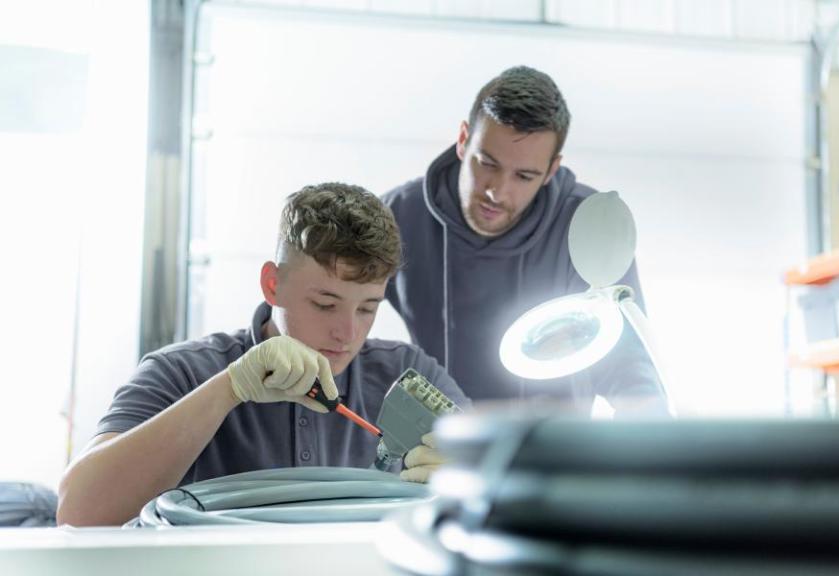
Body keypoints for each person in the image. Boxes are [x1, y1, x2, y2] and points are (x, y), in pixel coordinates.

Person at [57, 183, 469, 526]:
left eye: (368, 308)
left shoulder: (410, 374)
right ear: (272, 284)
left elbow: (509, 488)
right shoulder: (181, 372)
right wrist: (228, 390)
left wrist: (469, 477)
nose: (348, 333)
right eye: (325, 304)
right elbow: (79, 513)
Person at [382, 65, 666, 412]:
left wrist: (649, 432)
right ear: (462, 140)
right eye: (487, 163)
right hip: (439, 448)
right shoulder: (399, 215)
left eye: (524, 176)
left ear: (551, 170)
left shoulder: (588, 227)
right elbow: (338, 308)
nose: (497, 192)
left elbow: (628, 364)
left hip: (556, 454)